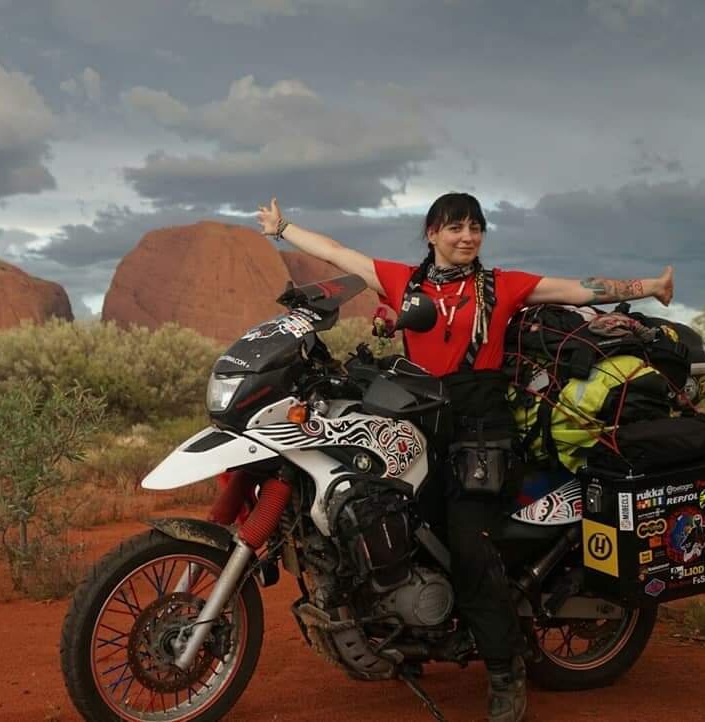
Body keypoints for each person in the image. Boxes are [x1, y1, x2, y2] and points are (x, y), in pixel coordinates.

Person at [256, 192, 674, 722]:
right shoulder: (404, 282)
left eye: (475, 227)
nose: (467, 236)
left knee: (470, 546)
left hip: (480, 431)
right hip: (420, 423)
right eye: (455, 227)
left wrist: (650, 287)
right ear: (432, 233)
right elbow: (338, 252)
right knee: (398, 526)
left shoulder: (501, 286)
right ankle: (407, 630)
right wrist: (283, 228)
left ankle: (505, 671)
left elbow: (580, 289)